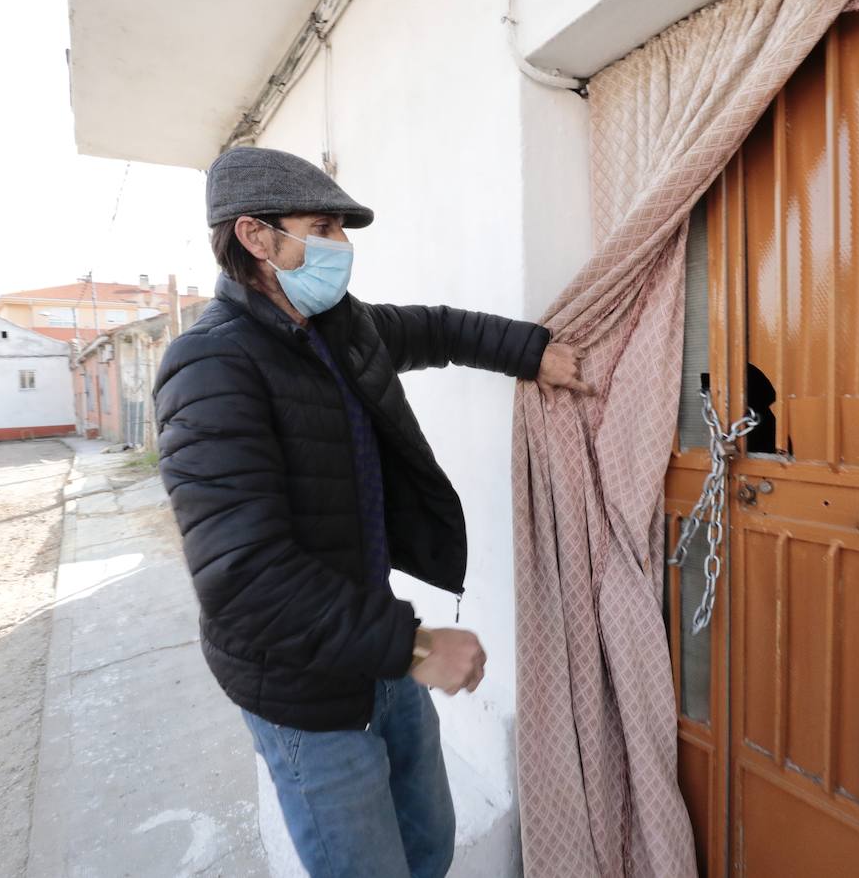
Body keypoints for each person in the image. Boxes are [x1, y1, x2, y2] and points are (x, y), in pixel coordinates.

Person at [153, 147, 593, 877]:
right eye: (323, 226)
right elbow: (244, 580)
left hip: (375, 647)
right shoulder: (210, 367)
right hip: (304, 693)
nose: (342, 247)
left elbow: (439, 330)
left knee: (428, 847)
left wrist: (535, 352)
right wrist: (419, 650)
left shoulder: (337, 330)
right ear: (257, 239)